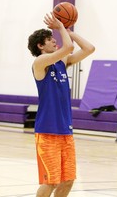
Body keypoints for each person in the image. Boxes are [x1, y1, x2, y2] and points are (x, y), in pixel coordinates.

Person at [28, 13, 95, 196]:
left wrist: (69, 31)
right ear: (40, 46)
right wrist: (61, 28)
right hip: (47, 131)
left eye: (53, 38)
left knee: (68, 181)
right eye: (49, 40)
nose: (53, 41)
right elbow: (69, 47)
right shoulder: (40, 62)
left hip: (66, 130)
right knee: (51, 181)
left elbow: (89, 48)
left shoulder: (61, 62)